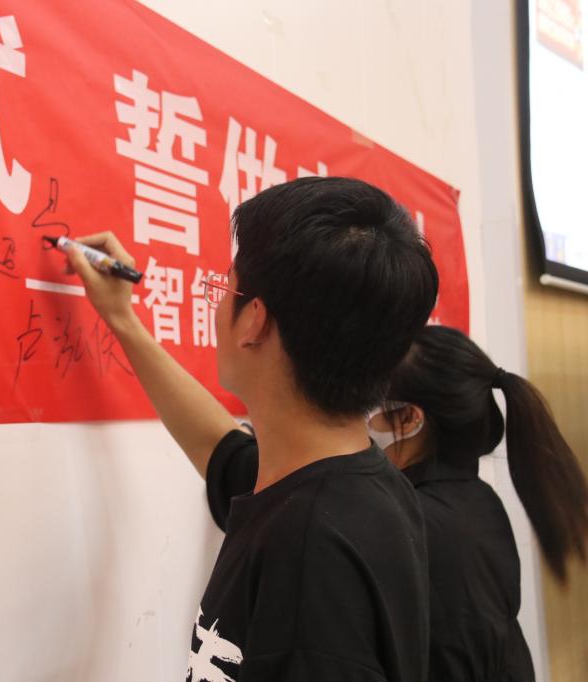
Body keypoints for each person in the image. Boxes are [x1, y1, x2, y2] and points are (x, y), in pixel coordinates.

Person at [64, 176, 439, 681]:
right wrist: (123, 319)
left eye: (226, 287)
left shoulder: (308, 558)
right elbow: (217, 447)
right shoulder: (358, 488)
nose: (219, 304)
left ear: (254, 321)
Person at [366, 325, 588, 681]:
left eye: (370, 401)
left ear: (409, 418)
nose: (359, 415)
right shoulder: (478, 500)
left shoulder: (416, 522)